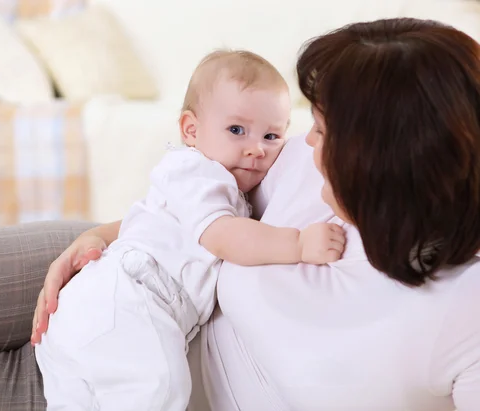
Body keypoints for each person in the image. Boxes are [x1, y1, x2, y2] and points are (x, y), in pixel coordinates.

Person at [32, 17, 480, 411]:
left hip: (148, 376)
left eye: (321, 130)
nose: (304, 142)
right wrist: (97, 237)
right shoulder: (302, 171)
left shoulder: (465, 308)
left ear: (377, 159)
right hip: (123, 302)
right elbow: (196, 213)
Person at [34, 50, 345, 411]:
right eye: (236, 130)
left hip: (98, 311)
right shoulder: (198, 172)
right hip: (129, 300)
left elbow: (145, 223)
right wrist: (299, 243)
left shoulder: (212, 185)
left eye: (272, 135)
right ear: (191, 130)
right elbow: (223, 237)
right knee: (161, 390)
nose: (256, 149)